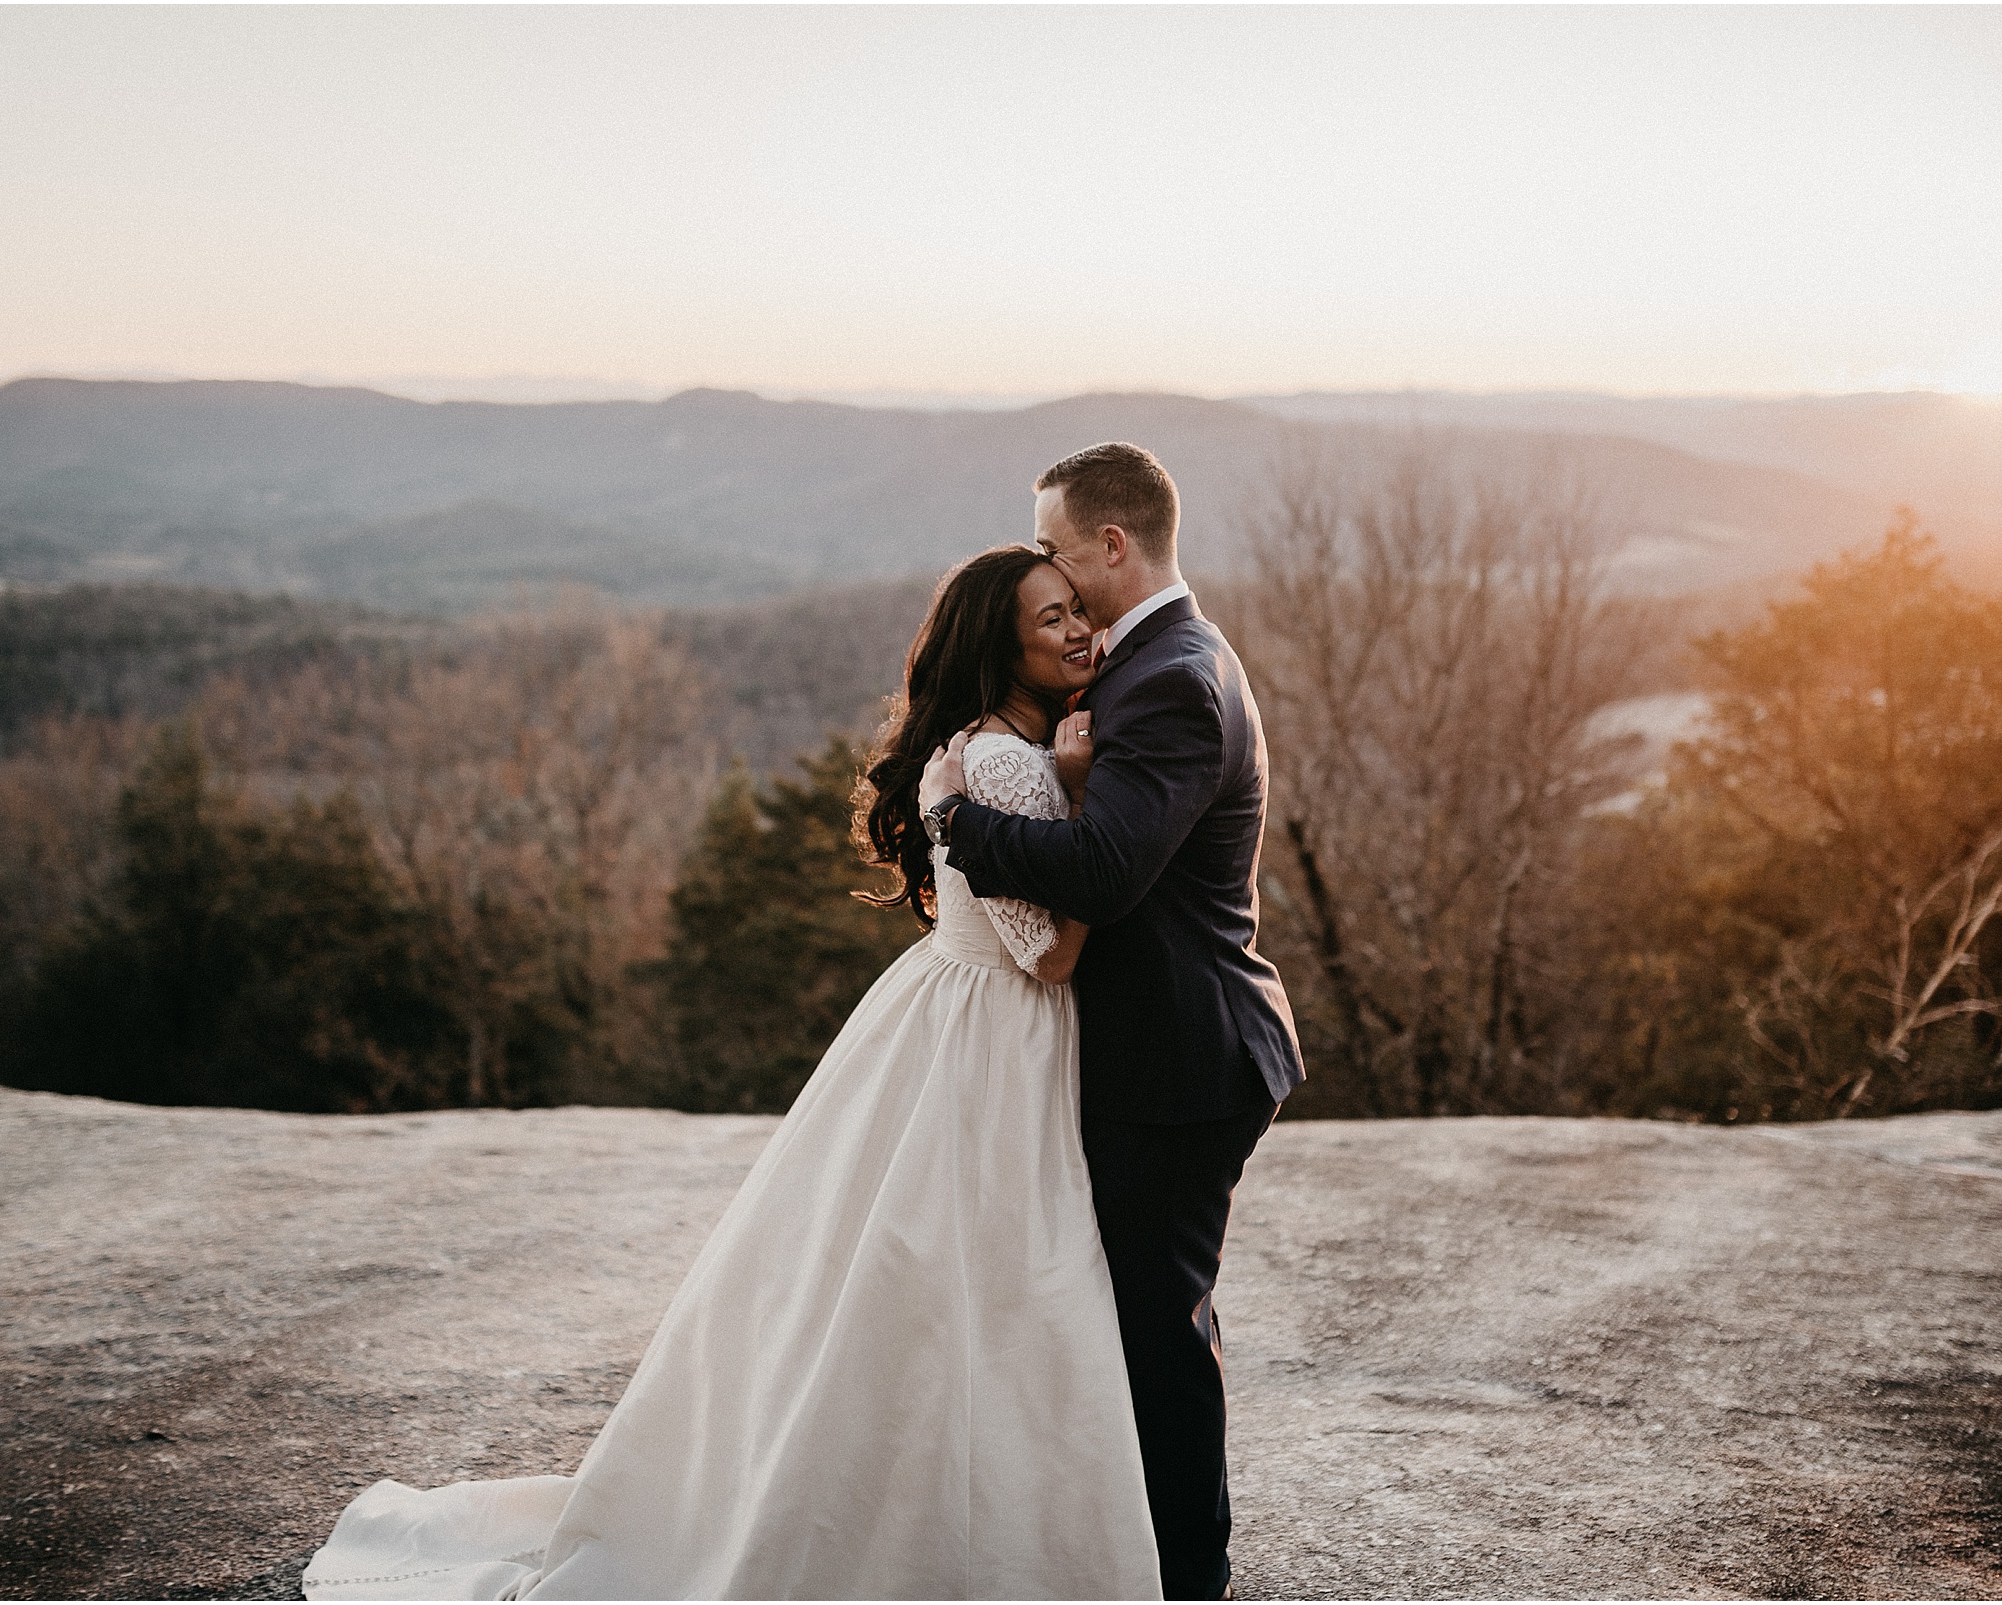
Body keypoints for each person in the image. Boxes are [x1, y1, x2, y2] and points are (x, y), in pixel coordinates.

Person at [301, 546, 1162, 1600]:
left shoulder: (977, 747)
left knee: (915, 1293)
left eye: (1079, 610)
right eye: (1051, 620)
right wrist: (1074, 799)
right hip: (1000, 1039)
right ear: (1001, 646)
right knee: (996, 1291)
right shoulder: (1010, 766)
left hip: (949, 1012)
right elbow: (1055, 953)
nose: (1079, 631)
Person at [920, 441, 1304, 1602]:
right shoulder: (1153, 666)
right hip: (1156, 1053)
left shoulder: (1170, 679)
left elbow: (1101, 874)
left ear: (1112, 545)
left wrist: (956, 818)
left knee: (1156, 1335)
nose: (1050, 569)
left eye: (1056, 547)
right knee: (1129, 1321)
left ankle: (1190, 1580)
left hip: (1181, 1061)